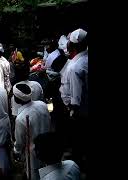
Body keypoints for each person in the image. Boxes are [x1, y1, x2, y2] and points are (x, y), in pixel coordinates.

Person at [59, 28, 88, 169]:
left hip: (78, 112)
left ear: (74, 45)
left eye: (69, 42)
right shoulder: (82, 59)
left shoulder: (76, 67)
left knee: (79, 141)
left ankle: (78, 167)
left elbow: (76, 97)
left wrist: (72, 113)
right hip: (83, 110)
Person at [13, 83, 52, 180]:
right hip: (48, 146)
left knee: (34, 174)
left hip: (33, 153)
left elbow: (20, 142)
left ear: (17, 99)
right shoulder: (42, 104)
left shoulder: (21, 118)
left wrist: (16, 151)